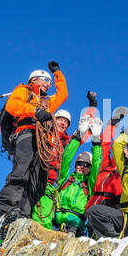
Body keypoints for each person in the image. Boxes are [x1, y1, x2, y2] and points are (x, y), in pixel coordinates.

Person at [0, 61, 68, 248]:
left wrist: (58, 73)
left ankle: (22, 212)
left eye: (50, 82)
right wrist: (35, 111)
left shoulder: (47, 101)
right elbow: (12, 106)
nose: (48, 84)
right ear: (34, 79)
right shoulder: (23, 90)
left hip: (41, 138)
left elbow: (63, 94)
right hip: (26, 133)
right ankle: (6, 207)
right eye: (46, 80)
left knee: (39, 183)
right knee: (22, 172)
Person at [31, 92, 98, 229]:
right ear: (53, 120)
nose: (63, 123)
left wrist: (92, 107)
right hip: (34, 175)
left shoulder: (66, 143)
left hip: (49, 181)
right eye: (60, 119)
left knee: (43, 210)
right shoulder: (41, 132)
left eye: (66, 122)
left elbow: (83, 130)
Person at [53, 115, 103, 237]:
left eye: (86, 165)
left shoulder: (89, 185)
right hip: (55, 225)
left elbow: (97, 164)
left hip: (75, 229)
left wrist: (96, 141)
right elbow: (66, 158)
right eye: (80, 163)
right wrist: (78, 136)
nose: (82, 166)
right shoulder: (65, 179)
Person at [84, 107, 128, 213]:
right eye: (123, 147)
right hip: (94, 207)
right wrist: (111, 125)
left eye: (127, 147)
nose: (124, 151)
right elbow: (104, 146)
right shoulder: (106, 167)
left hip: (113, 209)